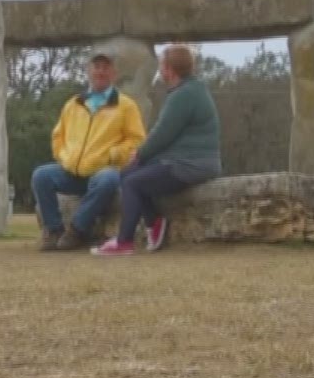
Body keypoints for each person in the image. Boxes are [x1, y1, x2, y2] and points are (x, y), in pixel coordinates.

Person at [92, 44, 221, 256]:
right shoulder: (191, 89)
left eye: (162, 66)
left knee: (132, 182)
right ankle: (155, 222)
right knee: (128, 174)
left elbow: (162, 134)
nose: (160, 71)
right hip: (187, 160)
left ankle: (124, 242)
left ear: (169, 70)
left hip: (191, 165)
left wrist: (139, 154)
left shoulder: (183, 95)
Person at [31, 51, 147, 251]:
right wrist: (63, 156)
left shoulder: (126, 106)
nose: (100, 72)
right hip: (71, 170)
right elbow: (58, 136)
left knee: (108, 179)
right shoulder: (73, 104)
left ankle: (77, 230)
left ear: (114, 73)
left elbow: (136, 140)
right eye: (96, 67)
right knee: (41, 175)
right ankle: (54, 231)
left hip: (101, 171)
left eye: (106, 67)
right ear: (88, 71)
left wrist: (113, 155)